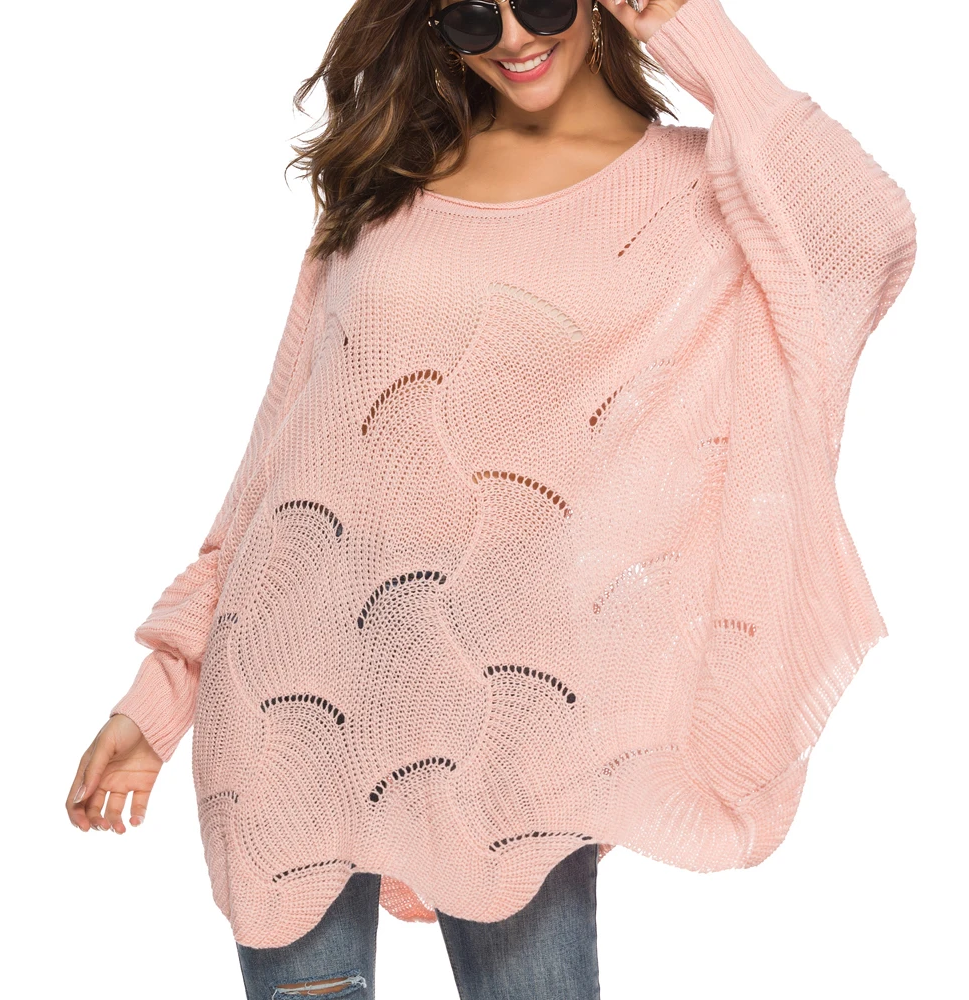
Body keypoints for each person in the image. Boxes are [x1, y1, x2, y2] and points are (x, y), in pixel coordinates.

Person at [65, 1, 917, 997]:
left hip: (519, 721)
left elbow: (865, 237)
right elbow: (279, 468)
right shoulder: (387, 183)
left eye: (541, 2)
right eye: (474, 16)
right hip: (286, 708)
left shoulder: (702, 191)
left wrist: (695, 29)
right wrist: (159, 695)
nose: (513, 37)